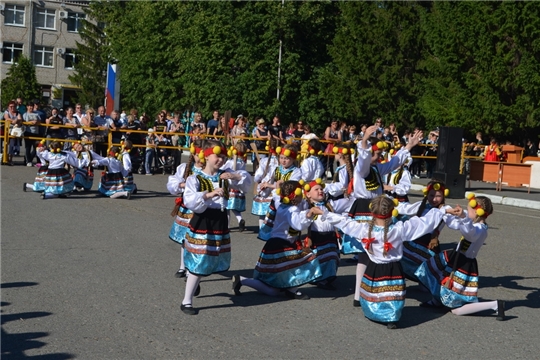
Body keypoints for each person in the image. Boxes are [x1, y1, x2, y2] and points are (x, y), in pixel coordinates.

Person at [328, 195, 454, 329]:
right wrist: (442, 211)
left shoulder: (365, 230)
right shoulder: (399, 229)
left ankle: (375, 313)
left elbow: (345, 223)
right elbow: (423, 223)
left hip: (374, 268)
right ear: (391, 212)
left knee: (375, 293)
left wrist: (325, 213)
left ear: (372, 213)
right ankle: (392, 318)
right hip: (394, 269)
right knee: (392, 294)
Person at [343, 125, 424, 308]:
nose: (379, 156)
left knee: (371, 254)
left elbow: (393, 163)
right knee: (368, 254)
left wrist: (408, 146)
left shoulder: (377, 169)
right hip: (365, 209)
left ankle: (364, 293)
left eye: (379, 153)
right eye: (376, 153)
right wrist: (364, 140)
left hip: (376, 208)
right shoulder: (361, 169)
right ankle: (361, 293)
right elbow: (363, 160)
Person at [180, 140, 252, 315]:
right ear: (206, 155)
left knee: (208, 259)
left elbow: (247, 183)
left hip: (220, 221)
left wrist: (235, 177)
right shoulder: (195, 178)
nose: (220, 160)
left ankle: (192, 277)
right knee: (200, 260)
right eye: (217, 156)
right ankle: (186, 301)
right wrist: (208, 194)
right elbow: (189, 200)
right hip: (203, 220)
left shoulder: (226, 174)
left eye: (223, 157)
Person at [415, 194, 506, 321]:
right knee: (434, 272)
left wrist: (464, 218)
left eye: (468, 210)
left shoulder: (480, 229)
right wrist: (449, 212)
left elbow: (469, 233)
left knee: (457, 309)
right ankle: (437, 300)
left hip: (464, 265)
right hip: (456, 258)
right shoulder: (473, 223)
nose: (466, 212)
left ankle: (495, 305)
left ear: (476, 212)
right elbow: (455, 224)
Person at [231, 180, 325, 300]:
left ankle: (241, 280)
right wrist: (310, 213)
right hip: (281, 245)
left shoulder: (281, 204)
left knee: (273, 291)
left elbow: (277, 198)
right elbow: (298, 225)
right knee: (305, 260)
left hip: (275, 243)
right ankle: (292, 290)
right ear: (295, 196)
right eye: (301, 193)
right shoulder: (291, 210)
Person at [396, 180, 452, 282]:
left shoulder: (445, 209)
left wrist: (462, 217)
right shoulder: (422, 206)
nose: (434, 199)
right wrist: (390, 204)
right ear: (426, 194)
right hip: (416, 239)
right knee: (403, 257)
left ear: (444, 196)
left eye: (438, 196)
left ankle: (424, 283)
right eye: (431, 195)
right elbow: (405, 208)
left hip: (430, 243)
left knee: (426, 267)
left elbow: (455, 220)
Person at [302, 179, 353, 290]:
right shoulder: (307, 206)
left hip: (331, 236)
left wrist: (350, 193)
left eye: (321, 189)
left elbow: (348, 202)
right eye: (316, 189)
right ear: (308, 194)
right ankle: (318, 278)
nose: (320, 191)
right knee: (319, 257)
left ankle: (327, 278)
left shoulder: (331, 205)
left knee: (332, 257)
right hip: (316, 237)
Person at [167, 140, 205, 278]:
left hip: (200, 210)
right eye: (198, 155)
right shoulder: (185, 168)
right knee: (184, 239)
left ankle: (192, 269)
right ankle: (183, 267)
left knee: (195, 240)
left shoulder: (208, 172)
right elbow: (173, 183)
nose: (201, 159)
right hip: (186, 209)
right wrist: (183, 185)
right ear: (193, 154)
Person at [257, 143, 303, 241]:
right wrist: (263, 185)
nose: (283, 160)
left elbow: (289, 186)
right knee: (274, 220)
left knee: (287, 223)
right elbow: (269, 179)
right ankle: (273, 238)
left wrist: (271, 185)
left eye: (286, 158)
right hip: (277, 200)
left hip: (290, 201)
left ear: (293, 159)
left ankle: (288, 239)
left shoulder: (296, 171)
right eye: (281, 158)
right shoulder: (276, 169)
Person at [221, 142, 250, 231]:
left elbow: (223, 169)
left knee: (227, 208)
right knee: (233, 208)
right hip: (239, 187)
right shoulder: (243, 162)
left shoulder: (230, 162)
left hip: (230, 187)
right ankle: (240, 219)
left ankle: (227, 226)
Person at [252, 138, 280, 227]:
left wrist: (258, 180)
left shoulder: (264, 161)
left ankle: (262, 230)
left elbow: (257, 176)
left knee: (262, 213)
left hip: (264, 187)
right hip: (276, 188)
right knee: (275, 212)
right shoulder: (282, 162)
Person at [4, 100, 24, 165]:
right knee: (5, 144)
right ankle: (4, 157)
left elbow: (20, 118)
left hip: (15, 131)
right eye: (11, 106)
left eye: (14, 106)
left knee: (12, 145)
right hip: (7, 130)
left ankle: (10, 159)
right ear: (8, 107)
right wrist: (14, 120)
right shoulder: (7, 112)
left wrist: (16, 120)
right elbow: (6, 118)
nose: (12, 108)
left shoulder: (18, 112)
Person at [23, 102, 41, 166]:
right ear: (27, 107)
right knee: (28, 147)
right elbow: (24, 122)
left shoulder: (37, 114)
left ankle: (29, 158)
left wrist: (36, 122)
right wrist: (31, 122)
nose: (31, 107)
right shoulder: (25, 114)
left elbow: (40, 121)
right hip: (28, 132)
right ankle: (28, 161)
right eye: (29, 106)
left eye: (32, 106)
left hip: (36, 132)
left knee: (36, 148)